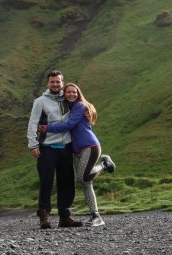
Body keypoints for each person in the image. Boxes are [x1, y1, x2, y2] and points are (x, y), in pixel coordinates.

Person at [39, 83, 116, 228]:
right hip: (76, 150)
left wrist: (48, 128)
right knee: (86, 183)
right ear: (64, 94)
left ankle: (104, 164)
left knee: (83, 177)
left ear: (78, 93)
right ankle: (96, 216)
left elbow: (70, 124)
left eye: (74, 92)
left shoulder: (80, 106)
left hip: (89, 146)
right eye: (68, 92)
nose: (71, 94)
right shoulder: (68, 107)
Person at [27, 70, 79, 228]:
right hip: (46, 147)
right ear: (48, 83)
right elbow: (32, 123)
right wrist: (32, 144)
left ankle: (65, 216)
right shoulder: (40, 101)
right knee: (46, 181)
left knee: (66, 182)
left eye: (58, 82)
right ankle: (44, 216)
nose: (55, 84)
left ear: (62, 83)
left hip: (66, 147)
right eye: (52, 82)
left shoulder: (68, 99)